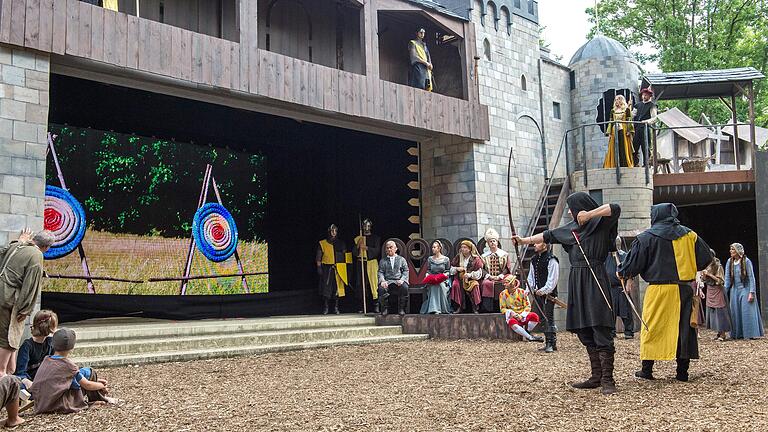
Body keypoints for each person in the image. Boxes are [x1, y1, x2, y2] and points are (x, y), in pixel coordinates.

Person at [514, 192, 621, 395]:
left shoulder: (600, 223)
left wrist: (589, 215)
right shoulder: (570, 229)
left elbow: (614, 207)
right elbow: (547, 235)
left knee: (600, 325)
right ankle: (596, 376)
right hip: (577, 279)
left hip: (595, 276)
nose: (570, 212)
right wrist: (523, 240)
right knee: (584, 328)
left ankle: (608, 379)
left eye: (573, 208)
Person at [618, 203, 713, 382]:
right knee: (683, 329)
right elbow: (705, 259)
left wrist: (624, 273)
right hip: (684, 289)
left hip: (658, 290)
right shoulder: (690, 235)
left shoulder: (646, 237)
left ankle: (647, 370)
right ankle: (682, 372)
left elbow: (633, 263)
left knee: (651, 327)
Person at [0, 229, 55, 377]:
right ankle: (2, 373)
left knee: (11, 337)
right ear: (47, 247)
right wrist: (25, 309)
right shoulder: (36, 255)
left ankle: (10, 373)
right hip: (10, 301)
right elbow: (31, 286)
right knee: (8, 336)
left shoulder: (18, 245)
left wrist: (20, 241)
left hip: (3, 295)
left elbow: (3, 252)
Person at [31, 328, 116, 413]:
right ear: (72, 348)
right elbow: (87, 385)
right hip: (58, 405)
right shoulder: (68, 365)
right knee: (90, 371)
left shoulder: (47, 359)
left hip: (41, 404)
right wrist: (101, 385)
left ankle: (95, 399)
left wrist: (96, 381)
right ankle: (98, 399)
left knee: (84, 373)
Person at [724, 243, 764, 340]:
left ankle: (750, 333)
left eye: (732, 249)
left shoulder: (746, 261)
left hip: (745, 288)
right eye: (730, 249)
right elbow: (727, 279)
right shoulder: (730, 262)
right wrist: (724, 292)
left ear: (738, 251)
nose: (731, 251)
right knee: (735, 311)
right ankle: (738, 333)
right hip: (735, 290)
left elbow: (751, 278)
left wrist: (751, 292)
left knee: (747, 310)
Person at [527, 242, 559, 353]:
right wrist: (529, 290)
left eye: (537, 243)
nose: (534, 245)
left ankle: (550, 343)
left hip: (549, 294)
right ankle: (550, 342)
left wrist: (545, 290)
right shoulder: (534, 259)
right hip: (538, 294)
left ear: (544, 245)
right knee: (544, 317)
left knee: (548, 317)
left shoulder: (551, 259)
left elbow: (553, 278)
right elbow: (531, 277)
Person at [14, 310, 57, 389]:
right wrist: (28, 382)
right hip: (29, 381)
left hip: (44, 380)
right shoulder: (27, 346)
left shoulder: (49, 342)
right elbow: (20, 373)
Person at [316, 224, 351, 315]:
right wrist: (319, 267)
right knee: (326, 289)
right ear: (329, 232)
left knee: (337, 289)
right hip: (327, 268)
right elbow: (319, 257)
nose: (333, 233)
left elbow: (345, 257)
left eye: (335, 231)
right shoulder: (322, 243)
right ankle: (326, 307)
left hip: (338, 268)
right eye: (332, 231)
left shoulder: (341, 243)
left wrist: (346, 268)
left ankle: (336, 307)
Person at [605, 237, 634, 339]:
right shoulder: (605, 256)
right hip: (610, 288)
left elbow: (630, 270)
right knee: (610, 311)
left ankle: (628, 332)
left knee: (625, 311)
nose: (616, 245)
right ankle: (611, 332)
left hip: (622, 288)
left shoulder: (624, 256)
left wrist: (628, 282)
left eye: (617, 243)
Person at [499, 275, 544, 342]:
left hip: (524, 314)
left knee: (534, 317)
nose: (504, 284)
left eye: (506, 282)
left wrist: (522, 315)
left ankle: (527, 331)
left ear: (512, 283)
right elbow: (502, 308)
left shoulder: (522, 292)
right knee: (512, 322)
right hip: (513, 315)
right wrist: (511, 312)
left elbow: (528, 306)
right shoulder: (502, 294)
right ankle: (530, 337)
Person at [353, 219, 382, 313]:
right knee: (361, 284)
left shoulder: (375, 238)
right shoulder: (359, 238)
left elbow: (377, 250)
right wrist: (358, 245)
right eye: (365, 226)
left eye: (368, 226)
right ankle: (362, 306)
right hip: (361, 262)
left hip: (371, 262)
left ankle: (376, 305)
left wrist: (367, 248)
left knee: (374, 284)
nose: (366, 228)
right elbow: (354, 252)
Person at [700, 250, 729, 340]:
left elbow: (720, 280)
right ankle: (718, 332)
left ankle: (723, 333)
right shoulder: (706, 265)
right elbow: (703, 279)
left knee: (720, 311)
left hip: (717, 289)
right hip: (710, 289)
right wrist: (704, 276)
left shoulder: (718, 265)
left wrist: (709, 274)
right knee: (713, 311)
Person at [480, 228, 511, 313]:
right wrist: (489, 276)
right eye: (490, 241)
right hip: (489, 277)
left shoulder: (504, 254)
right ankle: (488, 309)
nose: (492, 243)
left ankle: (503, 306)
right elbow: (482, 269)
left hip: (501, 276)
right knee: (486, 284)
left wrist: (499, 276)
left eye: (494, 241)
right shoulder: (484, 256)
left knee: (504, 284)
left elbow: (507, 268)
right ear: (488, 244)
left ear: (497, 242)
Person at [449, 240, 484, 314]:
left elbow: (479, 272)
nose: (463, 249)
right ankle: (459, 306)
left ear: (469, 249)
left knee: (475, 285)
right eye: (462, 247)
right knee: (455, 284)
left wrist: (470, 275)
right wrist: (457, 269)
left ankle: (475, 307)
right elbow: (451, 269)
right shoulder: (458, 257)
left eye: (465, 247)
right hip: (460, 279)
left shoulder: (475, 259)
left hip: (470, 279)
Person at [377, 241, 410, 316]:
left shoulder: (402, 259)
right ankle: (385, 309)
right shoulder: (383, 261)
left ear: (395, 248)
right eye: (387, 248)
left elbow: (406, 270)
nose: (389, 250)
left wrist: (402, 280)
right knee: (381, 289)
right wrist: (382, 281)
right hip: (387, 281)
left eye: (391, 247)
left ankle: (402, 308)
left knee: (405, 287)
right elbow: (380, 272)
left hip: (398, 280)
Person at [420, 240, 452, 314]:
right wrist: (427, 275)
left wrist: (445, 275)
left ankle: (442, 309)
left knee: (440, 285)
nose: (433, 249)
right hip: (433, 279)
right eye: (432, 247)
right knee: (433, 286)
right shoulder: (430, 259)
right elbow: (428, 270)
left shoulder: (446, 259)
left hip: (442, 279)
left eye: (434, 247)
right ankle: (433, 308)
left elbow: (447, 270)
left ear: (439, 248)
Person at [603, 94, 635, 168]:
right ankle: (615, 164)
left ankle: (624, 164)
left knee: (623, 147)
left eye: (619, 99)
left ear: (622, 100)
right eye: (616, 99)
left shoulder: (626, 110)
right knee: (614, 147)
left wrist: (629, 130)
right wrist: (609, 132)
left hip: (623, 129)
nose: (617, 101)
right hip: (614, 130)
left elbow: (629, 120)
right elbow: (611, 122)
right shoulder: (613, 111)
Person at [632, 87, 657, 166]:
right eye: (643, 95)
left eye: (646, 95)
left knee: (645, 146)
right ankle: (635, 163)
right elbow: (632, 115)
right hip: (637, 128)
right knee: (634, 146)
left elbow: (654, 118)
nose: (644, 96)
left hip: (645, 128)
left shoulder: (652, 105)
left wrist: (647, 122)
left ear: (650, 96)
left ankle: (646, 164)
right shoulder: (637, 105)